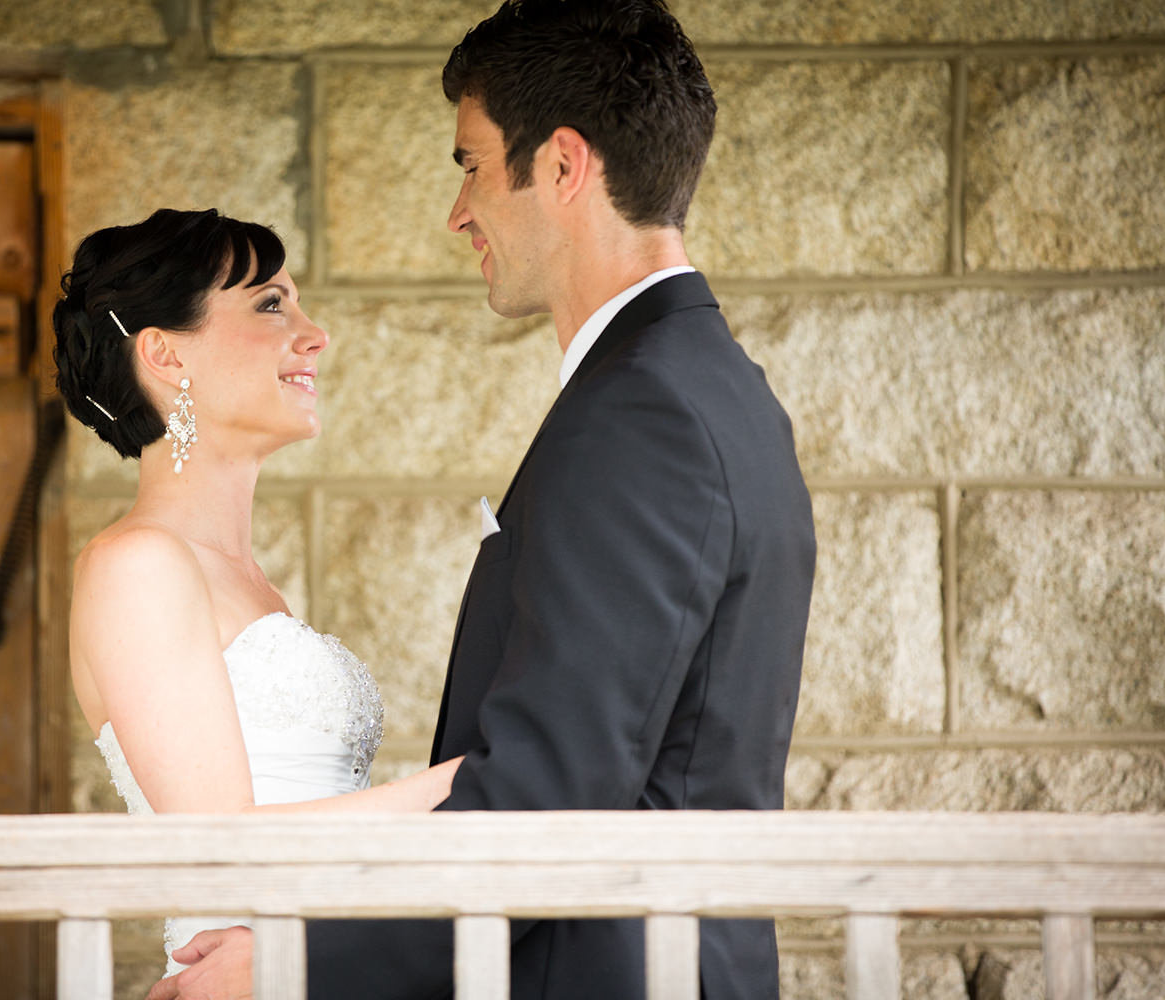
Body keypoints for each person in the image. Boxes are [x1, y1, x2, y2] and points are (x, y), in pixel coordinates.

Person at [150, 0, 816, 997]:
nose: (458, 211)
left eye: (470, 163)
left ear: (562, 166)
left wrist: (292, 963)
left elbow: (547, 795)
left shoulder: (645, 412)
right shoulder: (717, 389)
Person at [53, 207, 463, 977]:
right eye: (272, 304)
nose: (315, 334)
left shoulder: (249, 581)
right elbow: (222, 838)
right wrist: (471, 784)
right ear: (166, 355)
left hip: (308, 965)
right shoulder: (135, 563)